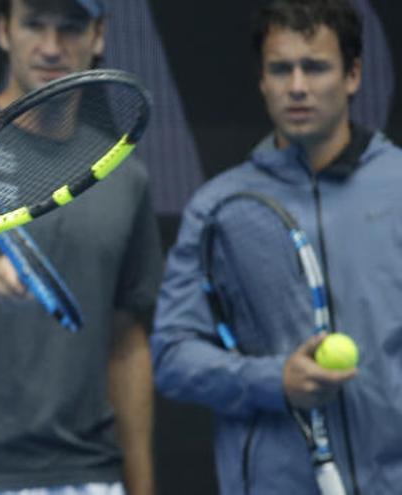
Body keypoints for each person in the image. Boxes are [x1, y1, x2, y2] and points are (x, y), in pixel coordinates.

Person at [0, 1, 163, 494]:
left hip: (85, 473)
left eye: (71, 27)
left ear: (98, 35)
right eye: (35, 25)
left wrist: (141, 485)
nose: (52, 46)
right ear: (3, 30)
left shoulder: (126, 177)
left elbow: (127, 343)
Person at [151, 0, 402, 493]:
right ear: (263, 81)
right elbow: (172, 357)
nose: (298, 87)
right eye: (281, 69)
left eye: (316, 67)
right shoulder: (217, 208)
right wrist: (274, 380)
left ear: (353, 76)